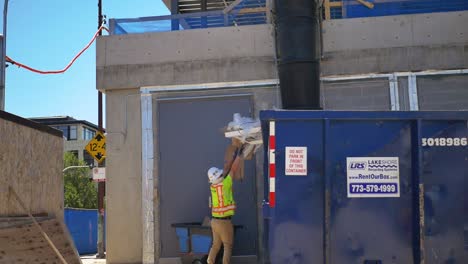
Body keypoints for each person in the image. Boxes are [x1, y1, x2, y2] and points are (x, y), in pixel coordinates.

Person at [206, 144, 244, 264]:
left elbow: (227, 172)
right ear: (219, 176)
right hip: (224, 222)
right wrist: (239, 156)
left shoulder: (213, 187)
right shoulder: (225, 184)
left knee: (216, 245)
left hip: (214, 222)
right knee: (227, 246)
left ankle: (209, 262)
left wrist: (233, 158)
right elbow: (232, 170)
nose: (223, 174)